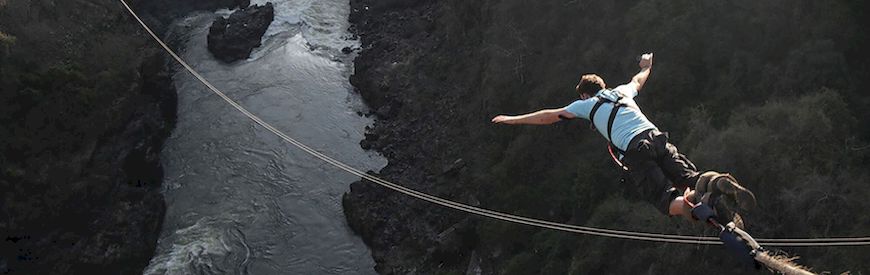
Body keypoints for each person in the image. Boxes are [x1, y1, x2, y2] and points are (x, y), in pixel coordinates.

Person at [491, 53, 756, 225]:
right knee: (690, 178)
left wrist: (512, 119)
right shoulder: (621, 92)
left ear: (585, 94)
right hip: (656, 136)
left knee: (663, 199)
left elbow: (548, 116)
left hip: (634, 149)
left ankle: (700, 206)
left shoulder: (587, 105)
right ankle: (718, 182)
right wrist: (648, 65)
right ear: (603, 85)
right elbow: (638, 79)